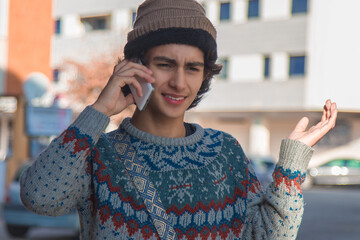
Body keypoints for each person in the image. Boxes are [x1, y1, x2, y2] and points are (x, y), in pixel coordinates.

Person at [20, 0, 338, 239]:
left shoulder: (226, 152)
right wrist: (100, 110)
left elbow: (265, 234)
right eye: (165, 64)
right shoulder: (99, 154)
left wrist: (290, 167)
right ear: (134, 66)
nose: (179, 83)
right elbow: (39, 198)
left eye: (193, 68)